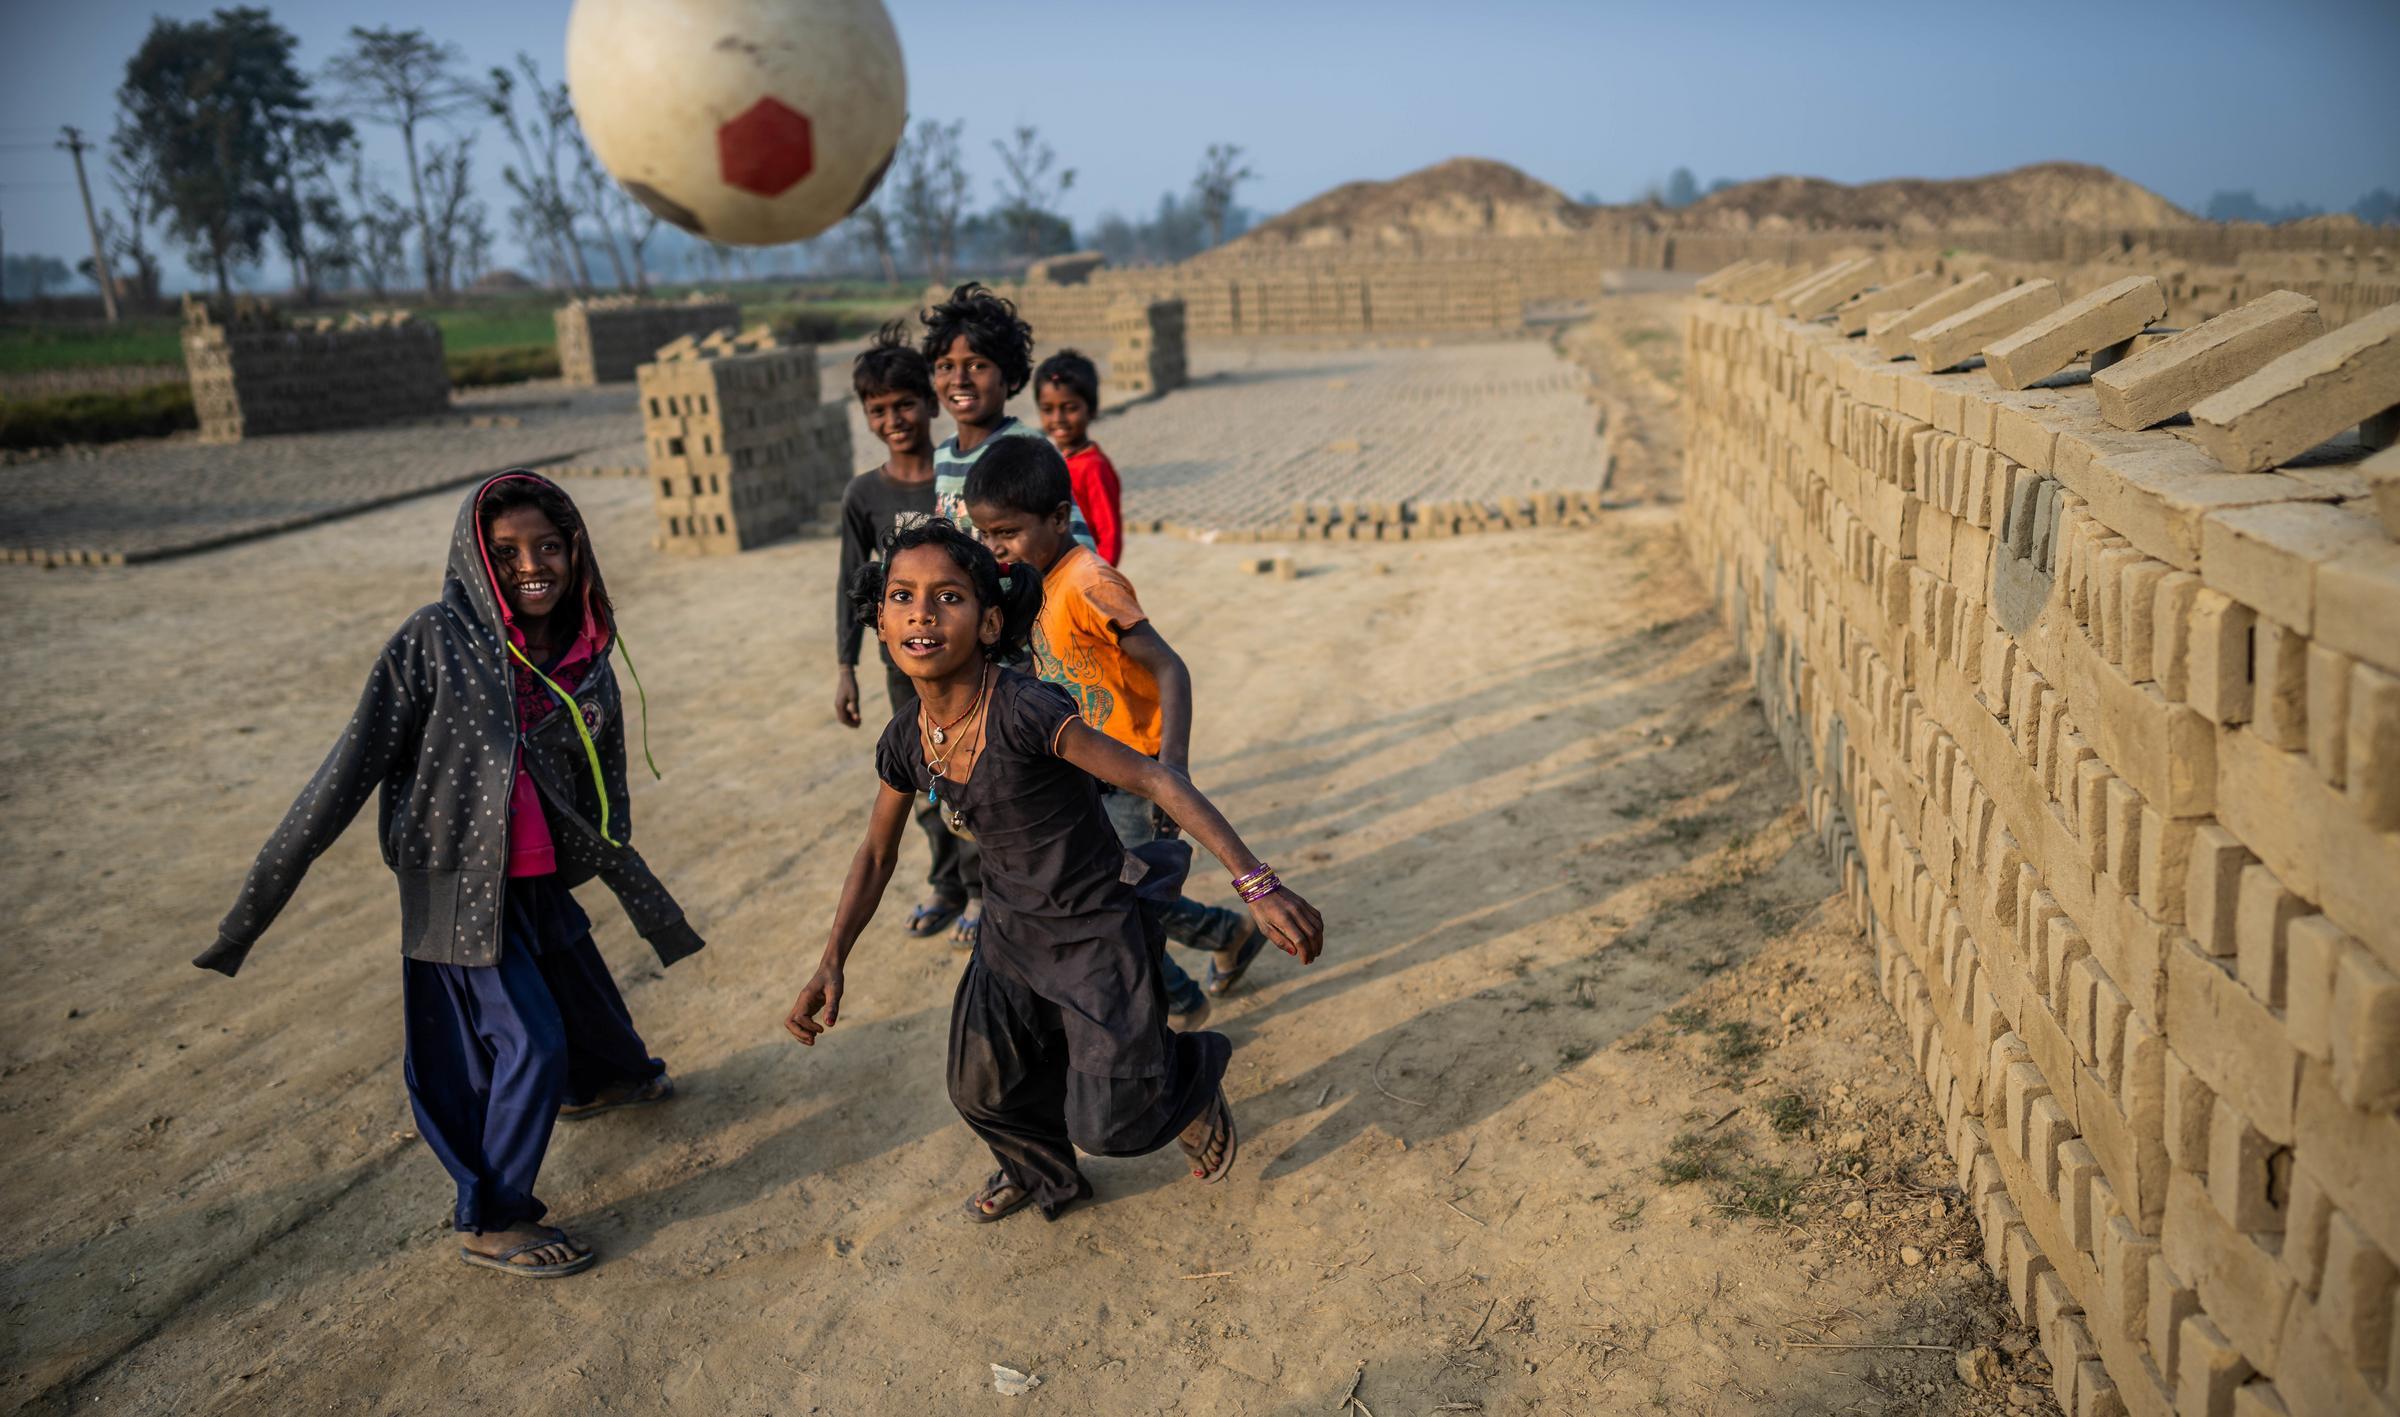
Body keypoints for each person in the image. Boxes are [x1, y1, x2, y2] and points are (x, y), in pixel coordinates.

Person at [197, 471, 702, 1279]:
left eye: (547, 546)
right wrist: (246, 917)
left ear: (574, 550)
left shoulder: (583, 652)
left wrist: (616, 859)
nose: (531, 565)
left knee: (581, 990)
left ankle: (604, 1081)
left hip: (537, 880)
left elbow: (604, 775)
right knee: (528, 1040)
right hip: (463, 892)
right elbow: (342, 775)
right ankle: (492, 1214)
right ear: (474, 559)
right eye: (506, 554)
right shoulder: (433, 641)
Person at [782, 521, 1322, 1222]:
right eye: (901, 596)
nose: (922, 611)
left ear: (989, 623)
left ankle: (1187, 1085)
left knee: (1112, 1123)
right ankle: (1044, 1175)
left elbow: (1155, 779)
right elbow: (877, 854)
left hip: (1093, 931)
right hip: (1009, 934)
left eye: (949, 596)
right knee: (980, 1088)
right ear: (879, 622)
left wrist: (1259, 882)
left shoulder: (1026, 709)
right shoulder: (905, 738)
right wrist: (832, 960)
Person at [963, 438, 1277, 1014]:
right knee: (1113, 895)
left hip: (1137, 776)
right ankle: (1224, 935)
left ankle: (1179, 1007)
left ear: (1058, 517)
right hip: (1085, 773)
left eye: (1005, 533)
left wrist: (1172, 770)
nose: (994, 548)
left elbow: (1170, 667)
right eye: (985, 535)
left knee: (1123, 910)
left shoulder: (1088, 583)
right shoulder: (1028, 586)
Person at [833, 322, 981, 945]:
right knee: (921, 779)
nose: (894, 419)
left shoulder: (959, 474)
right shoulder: (864, 493)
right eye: (878, 410)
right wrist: (846, 666)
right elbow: (851, 582)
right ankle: (946, 883)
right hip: (903, 669)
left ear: (928, 402)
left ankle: (981, 891)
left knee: (972, 775)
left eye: (904, 405)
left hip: (966, 663)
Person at [918, 281, 1093, 556]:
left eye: (977, 365)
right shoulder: (943, 456)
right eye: (946, 366)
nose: (959, 380)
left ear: (1010, 377)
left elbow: (1079, 547)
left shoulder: (1027, 451)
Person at [1034, 349, 1124, 566]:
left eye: (1070, 408)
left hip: (1084, 574)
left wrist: (1100, 579)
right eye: (1048, 409)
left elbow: (1109, 534)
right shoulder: (1051, 459)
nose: (1058, 418)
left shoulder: (1094, 468)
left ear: (1091, 410)